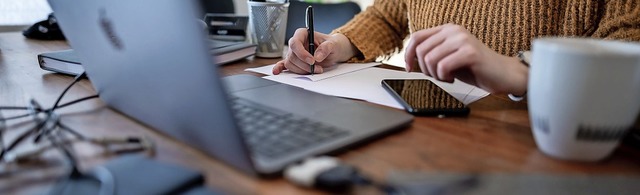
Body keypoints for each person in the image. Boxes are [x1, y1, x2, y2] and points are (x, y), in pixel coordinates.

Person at [272, 0, 640, 97]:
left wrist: (525, 72)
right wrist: (337, 43)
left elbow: (629, 45)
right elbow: (388, 14)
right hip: (432, 131)